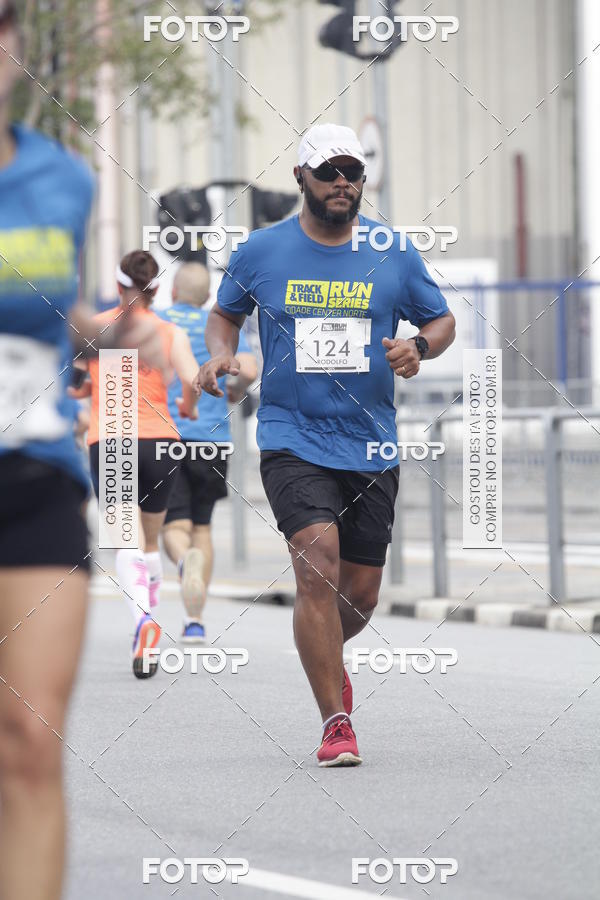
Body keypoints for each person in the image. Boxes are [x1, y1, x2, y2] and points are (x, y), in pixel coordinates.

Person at [197, 123, 456, 767]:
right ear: (301, 179)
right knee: (316, 563)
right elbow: (224, 313)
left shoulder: (392, 253)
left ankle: (328, 661)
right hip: (292, 434)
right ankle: (335, 719)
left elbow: (441, 318)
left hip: (370, 442)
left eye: (354, 172)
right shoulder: (261, 251)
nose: (344, 182)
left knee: (361, 592)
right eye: (330, 171)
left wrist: (418, 346)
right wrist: (222, 356)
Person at [0, 5, 169, 898]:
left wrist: (115, 333)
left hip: (32, 476)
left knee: (30, 740)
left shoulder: (62, 181)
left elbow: (46, 315)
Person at [74, 250, 200, 678]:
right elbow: (191, 380)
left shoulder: (97, 328)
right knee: (150, 540)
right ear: (158, 289)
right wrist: (188, 404)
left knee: (125, 542)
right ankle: (150, 620)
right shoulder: (169, 332)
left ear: (117, 287)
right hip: (162, 443)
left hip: (112, 440)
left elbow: (77, 384)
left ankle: (143, 621)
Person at [158, 263, 258, 643]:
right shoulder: (219, 326)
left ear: (174, 291)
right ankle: (195, 621)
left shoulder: (157, 320)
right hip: (212, 441)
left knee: (173, 527)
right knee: (202, 525)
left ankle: (185, 563)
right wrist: (234, 392)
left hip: (165, 436)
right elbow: (248, 368)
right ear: (206, 298)